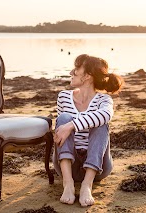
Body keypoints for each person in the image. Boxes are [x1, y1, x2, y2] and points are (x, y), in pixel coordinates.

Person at [52, 54, 123, 207]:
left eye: (77, 68)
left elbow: (105, 115)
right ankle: (68, 183)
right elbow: (60, 132)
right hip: (68, 165)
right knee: (63, 118)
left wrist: (72, 125)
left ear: (88, 76)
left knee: (101, 124)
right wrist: (66, 124)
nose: (72, 72)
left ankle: (87, 185)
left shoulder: (104, 100)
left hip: (98, 167)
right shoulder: (63, 96)